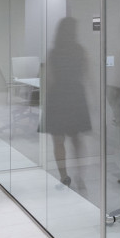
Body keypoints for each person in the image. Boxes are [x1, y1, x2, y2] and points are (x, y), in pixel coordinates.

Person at [42, 16, 91, 188]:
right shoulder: (80, 51)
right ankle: (80, 177)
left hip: (58, 96)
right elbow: (87, 75)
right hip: (76, 95)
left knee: (58, 140)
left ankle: (64, 177)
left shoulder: (54, 52)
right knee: (77, 139)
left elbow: (49, 79)